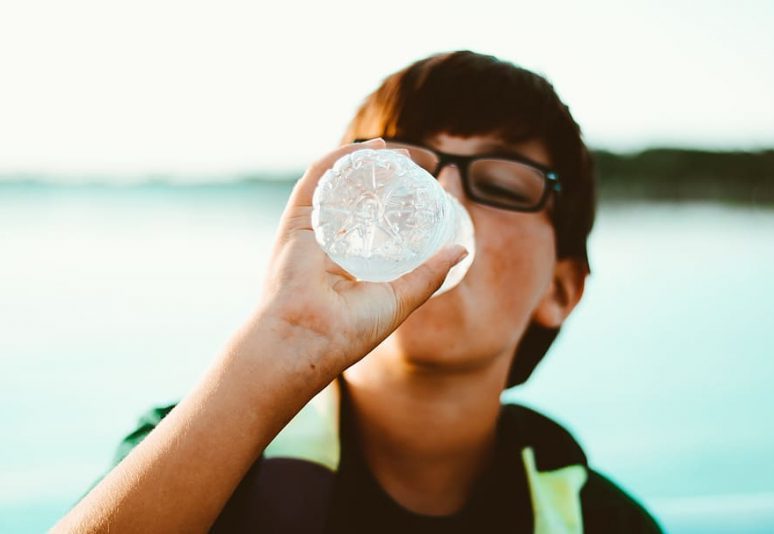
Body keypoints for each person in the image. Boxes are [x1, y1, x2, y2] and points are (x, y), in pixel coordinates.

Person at [54, 50, 662, 533]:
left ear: (561, 287)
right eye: (399, 173)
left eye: (501, 182)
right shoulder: (191, 457)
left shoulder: (606, 523)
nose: (439, 199)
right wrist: (284, 338)